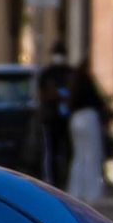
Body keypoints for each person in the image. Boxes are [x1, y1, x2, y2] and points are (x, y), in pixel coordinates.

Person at [66, 64, 111, 202]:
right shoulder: (89, 87)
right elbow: (100, 103)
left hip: (75, 119)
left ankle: (75, 190)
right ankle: (93, 192)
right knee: (92, 155)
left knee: (79, 156)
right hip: (89, 118)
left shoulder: (74, 87)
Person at [30, 59, 73, 193]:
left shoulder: (67, 72)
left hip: (63, 120)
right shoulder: (48, 73)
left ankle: (61, 181)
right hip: (53, 119)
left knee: (64, 151)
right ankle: (53, 182)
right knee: (52, 152)